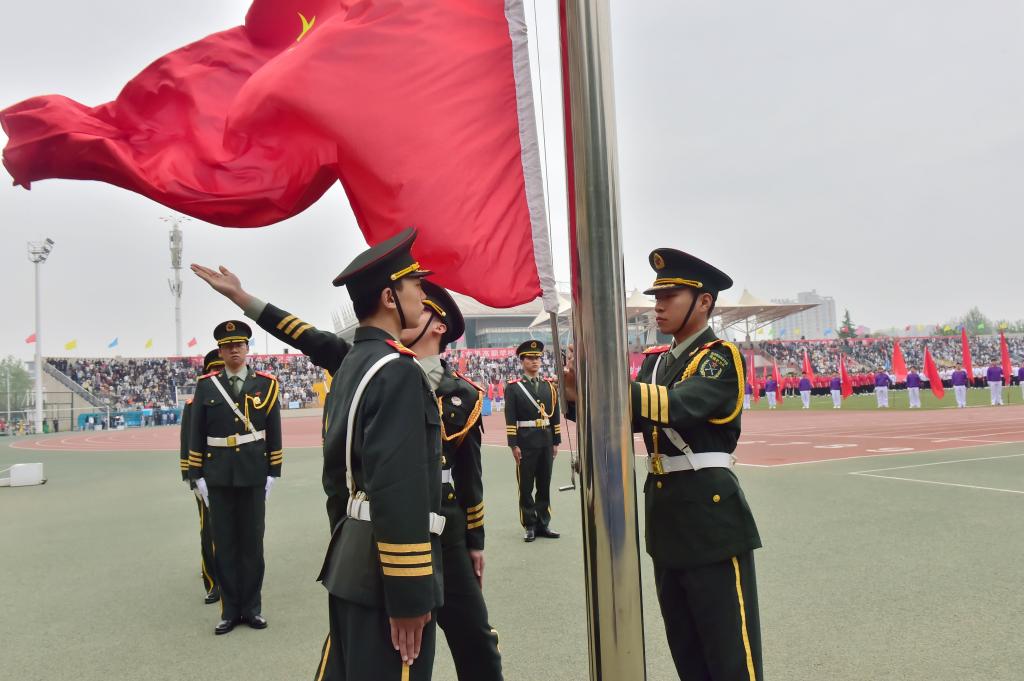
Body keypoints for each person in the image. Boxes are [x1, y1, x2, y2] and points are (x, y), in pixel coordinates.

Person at [192, 260, 503, 681]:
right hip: (391, 533)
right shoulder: (376, 363)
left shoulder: (461, 393)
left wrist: (475, 540)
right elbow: (304, 334)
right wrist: (244, 299)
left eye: (424, 304)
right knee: (374, 652)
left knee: (475, 639)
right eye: (414, 291)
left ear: (438, 326)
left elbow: (469, 477)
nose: (416, 301)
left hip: (443, 529)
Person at [566, 248, 762, 681]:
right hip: (666, 520)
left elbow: (679, 407)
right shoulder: (656, 362)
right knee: (688, 655)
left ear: (704, 302)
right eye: (657, 295)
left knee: (730, 657)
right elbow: (627, 419)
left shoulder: (719, 356)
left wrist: (605, 380)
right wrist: (579, 396)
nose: (658, 304)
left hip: (710, 521)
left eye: (670, 295)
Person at [318, 228, 443, 681]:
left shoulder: (353, 363)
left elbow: (335, 477)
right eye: (415, 286)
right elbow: (400, 488)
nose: (423, 297)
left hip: (352, 560)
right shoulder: (398, 371)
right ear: (390, 297)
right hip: (386, 578)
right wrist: (409, 595)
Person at [188, 320, 282, 635]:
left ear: (246, 348)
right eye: (228, 347)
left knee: (253, 545)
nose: (234, 351)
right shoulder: (207, 386)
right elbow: (196, 433)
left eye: (239, 345)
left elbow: (274, 431)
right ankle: (229, 611)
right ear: (220, 351)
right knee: (225, 545)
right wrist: (197, 475)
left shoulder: (266, 385)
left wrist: (273, 472)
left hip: (254, 475)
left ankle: (252, 608)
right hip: (218, 476)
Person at [504, 340, 562, 543]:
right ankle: (529, 524)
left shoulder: (549, 386)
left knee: (544, 484)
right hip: (526, 442)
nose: (535, 361)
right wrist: (514, 444)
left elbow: (555, 416)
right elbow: (510, 418)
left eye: (537, 358)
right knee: (526, 486)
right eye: (530, 358)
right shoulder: (514, 388)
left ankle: (543, 523)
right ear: (522, 361)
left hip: (546, 441)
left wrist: (556, 441)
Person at [179, 349, 224, 605]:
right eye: (214, 369)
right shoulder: (193, 404)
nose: (218, 374)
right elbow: (187, 441)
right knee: (209, 531)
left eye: (222, 369)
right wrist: (191, 477)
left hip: (234, 474)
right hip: (206, 478)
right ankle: (214, 580)